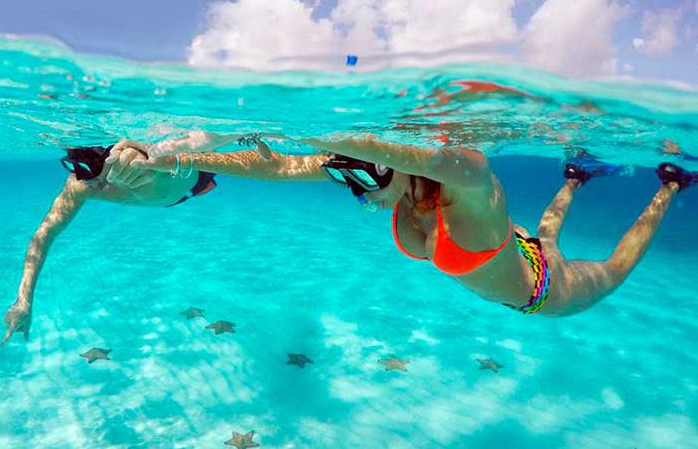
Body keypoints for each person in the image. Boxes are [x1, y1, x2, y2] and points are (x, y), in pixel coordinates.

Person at [123, 135, 695, 316]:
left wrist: (343, 135)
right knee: (544, 236)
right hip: (517, 250)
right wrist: (184, 161)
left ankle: (671, 182)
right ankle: (576, 177)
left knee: (613, 269)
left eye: (364, 179)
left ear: (402, 163)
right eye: (352, 182)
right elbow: (277, 165)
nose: (359, 195)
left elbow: (460, 162)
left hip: (547, 292)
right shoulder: (386, 180)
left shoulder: (471, 192)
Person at [0, 140, 218, 345]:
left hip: (193, 179)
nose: (87, 177)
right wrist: (23, 302)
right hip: (169, 188)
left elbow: (170, 160)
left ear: (112, 158)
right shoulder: (82, 184)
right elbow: (44, 234)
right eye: (77, 166)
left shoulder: (144, 165)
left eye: (92, 166)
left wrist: (145, 162)